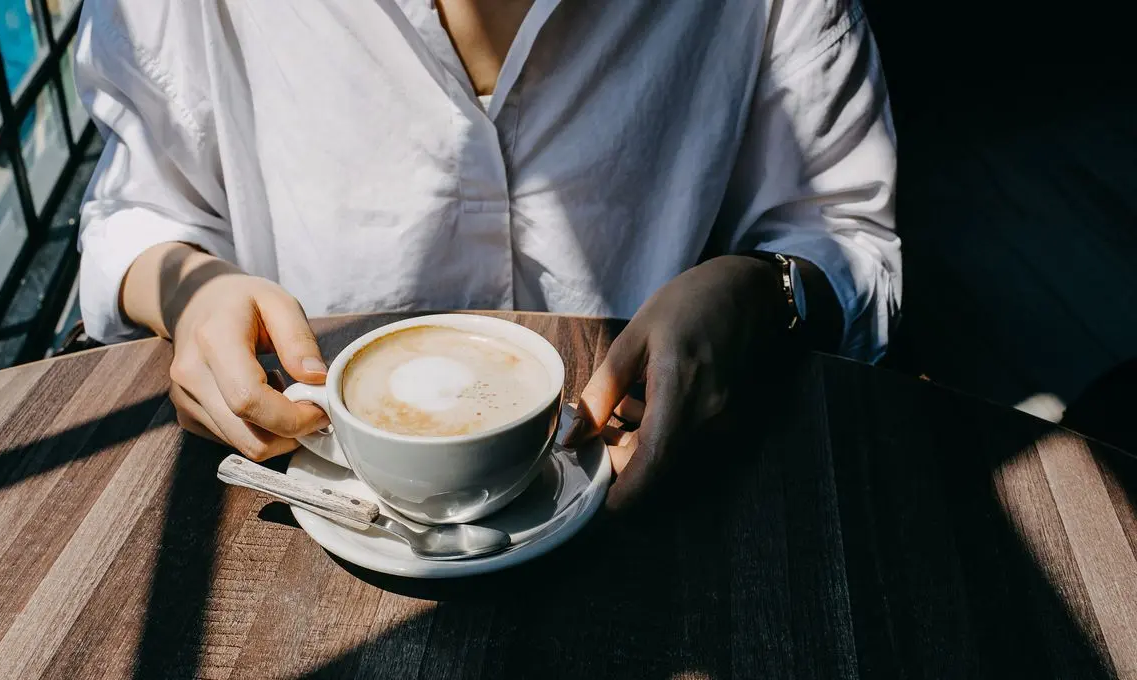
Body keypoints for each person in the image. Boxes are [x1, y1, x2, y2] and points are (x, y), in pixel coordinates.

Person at [74, 0, 899, 511]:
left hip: (663, 500)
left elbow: (844, 230)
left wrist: (762, 291)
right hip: (313, 522)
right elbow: (140, 209)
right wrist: (193, 294)